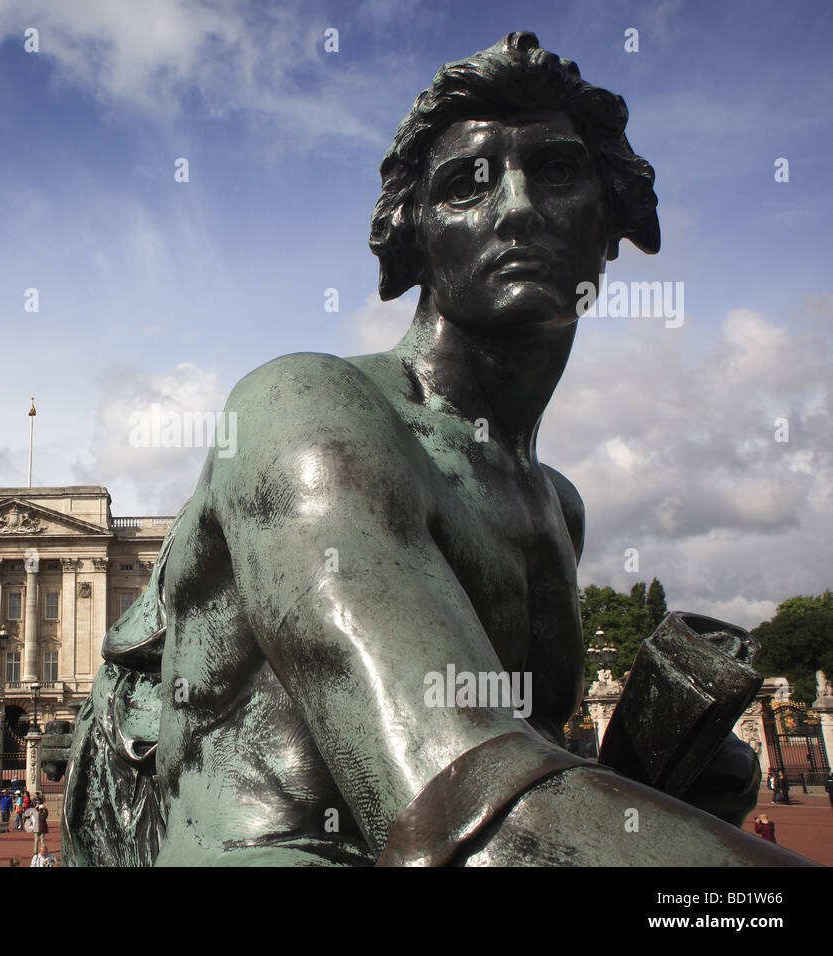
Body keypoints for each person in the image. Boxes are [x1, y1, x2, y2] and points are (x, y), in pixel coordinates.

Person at [58, 31, 806, 868]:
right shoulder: (302, 410)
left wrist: (662, 777)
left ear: (618, 224)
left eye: (557, 173)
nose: (516, 207)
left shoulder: (556, 502)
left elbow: (521, 785)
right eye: (467, 186)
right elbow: (462, 823)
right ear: (410, 241)